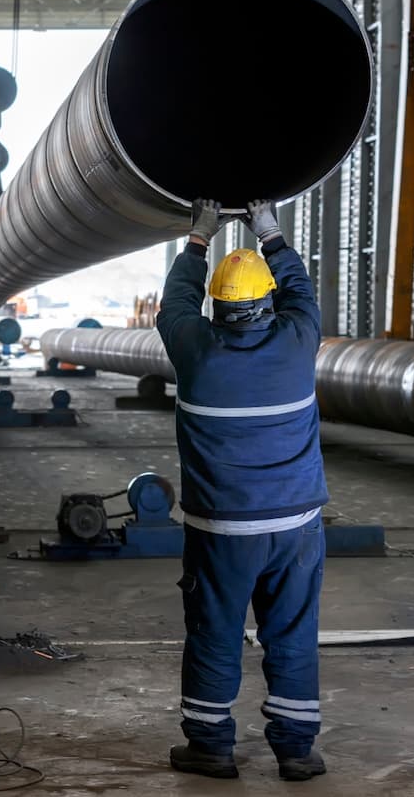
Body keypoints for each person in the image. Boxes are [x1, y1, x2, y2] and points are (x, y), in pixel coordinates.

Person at [156, 198, 328, 782]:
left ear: (216, 307)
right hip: (296, 527)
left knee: (215, 633)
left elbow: (173, 303)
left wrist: (199, 238)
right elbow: (301, 292)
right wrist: (270, 232)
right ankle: (297, 750)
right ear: (268, 302)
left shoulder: (195, 350)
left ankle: (210, 746)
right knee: (293, 634)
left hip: (222, 530)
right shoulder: (298, 340)